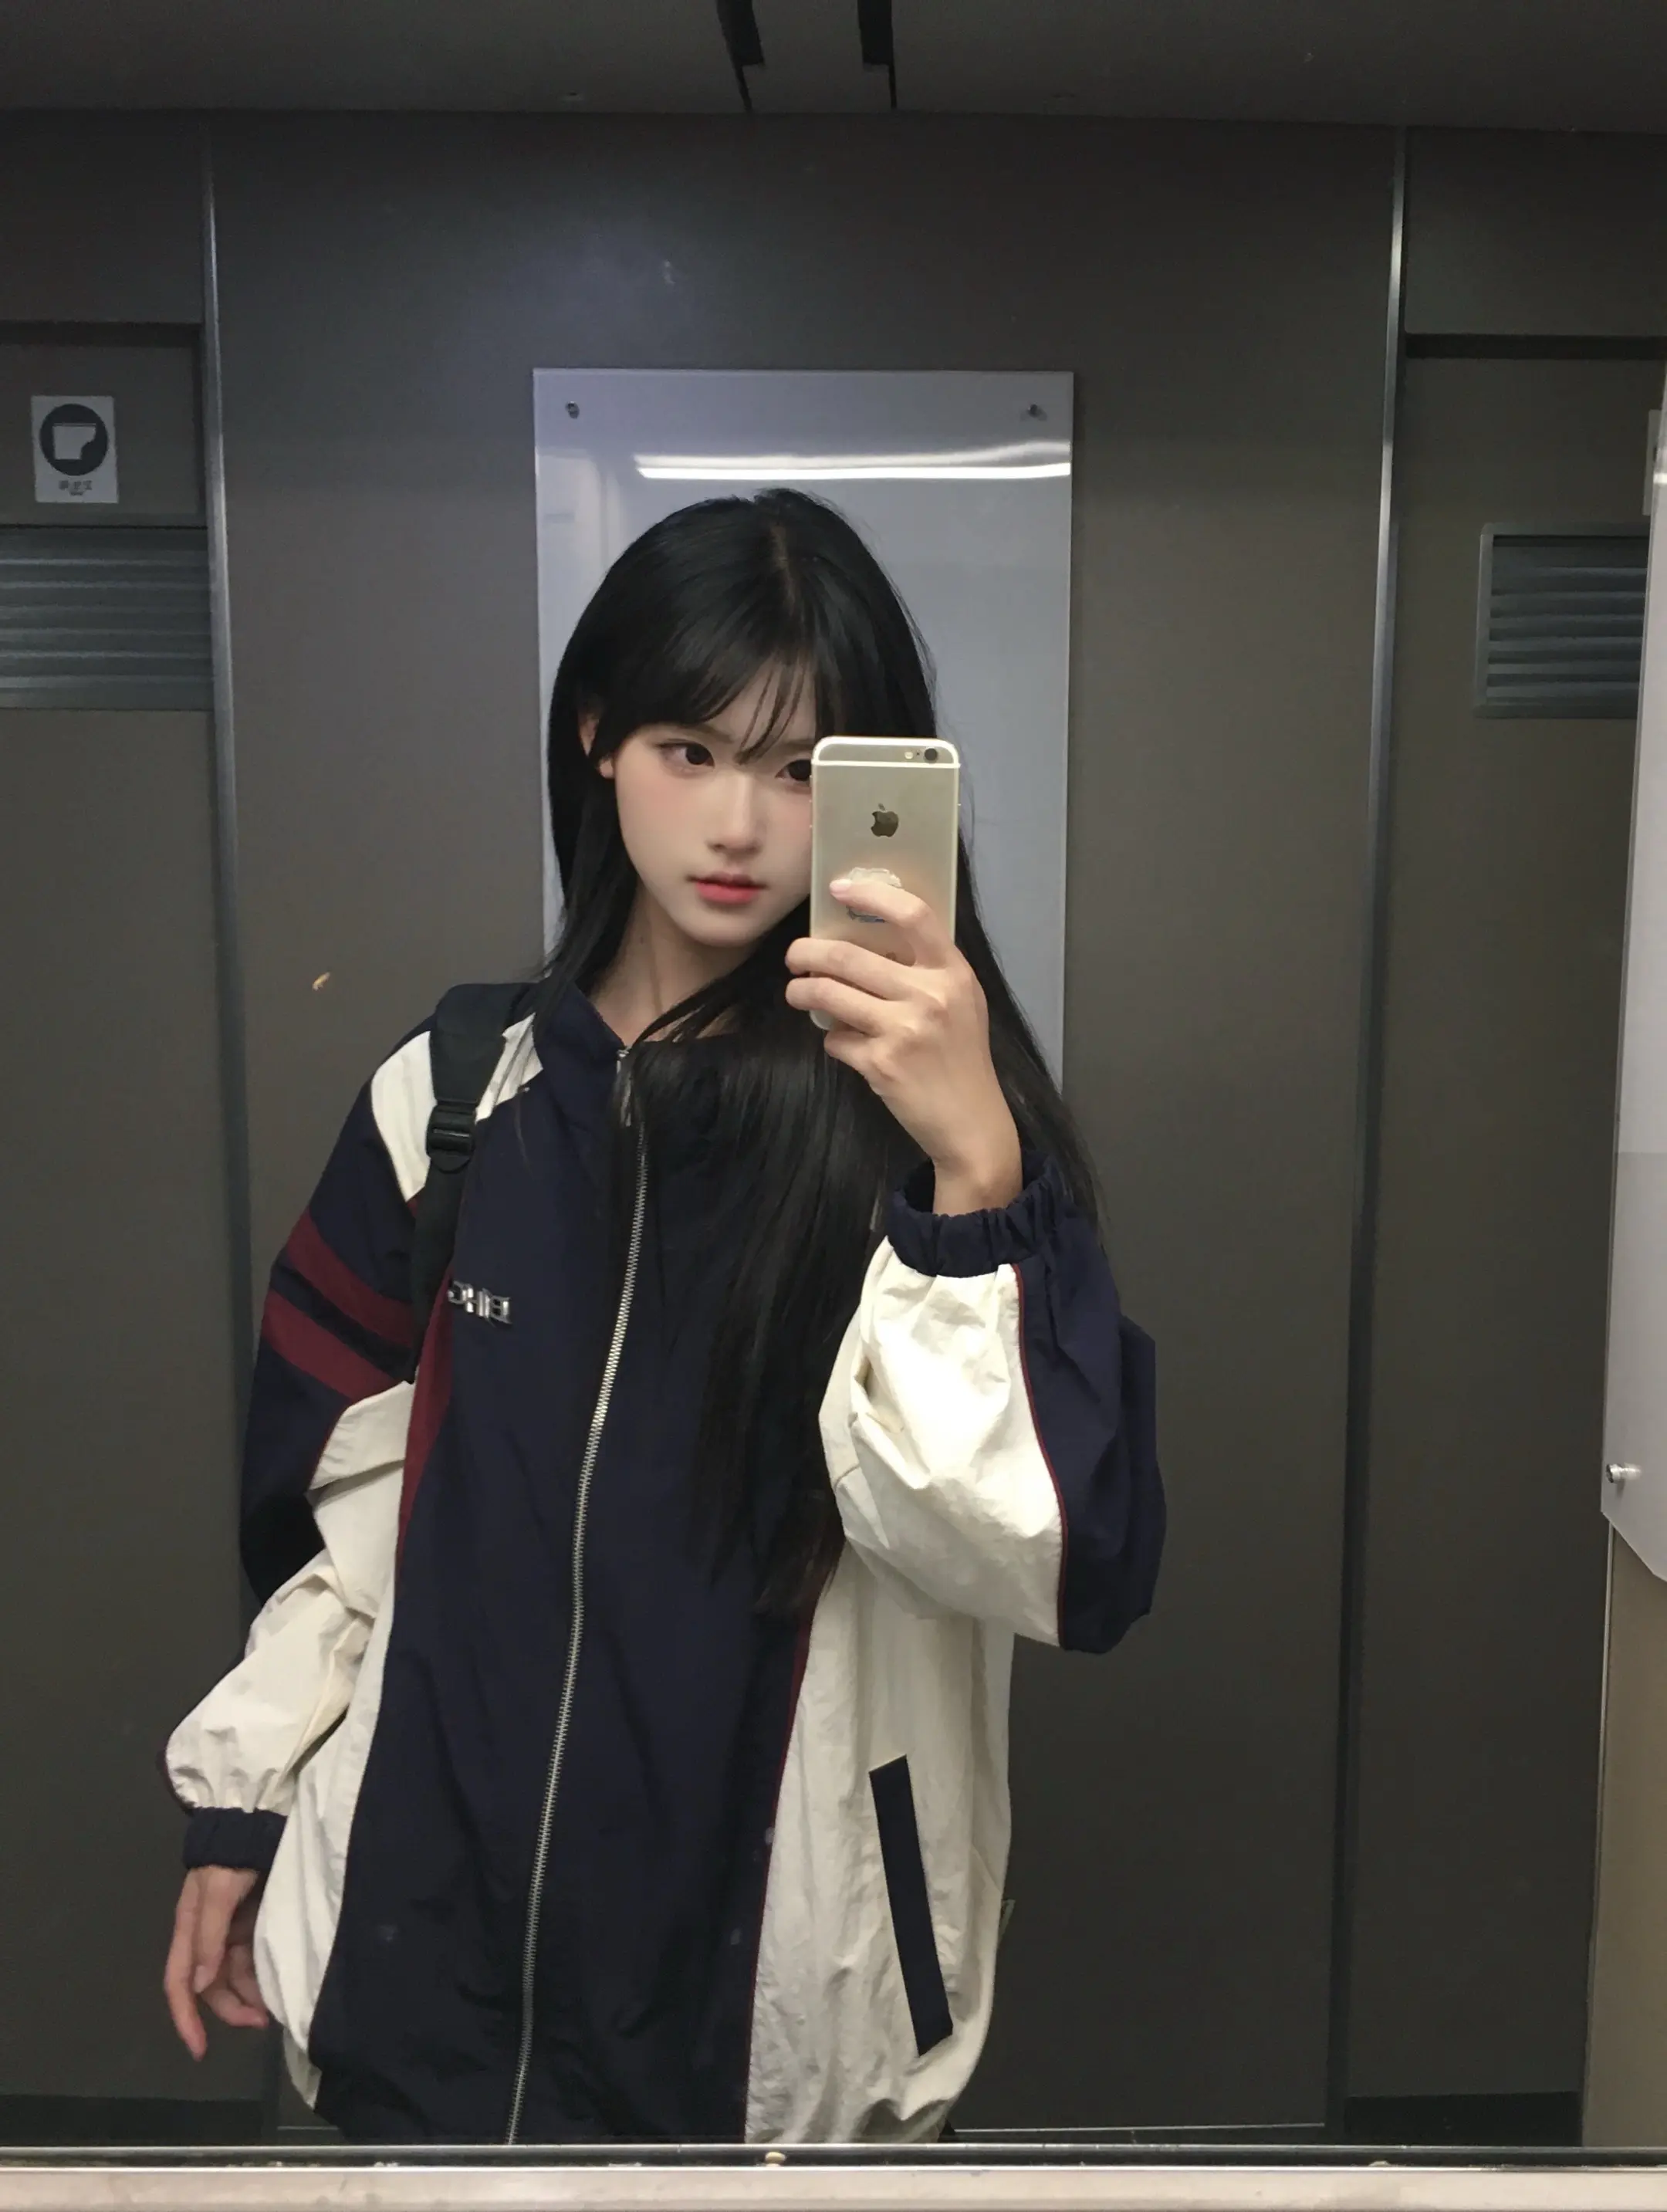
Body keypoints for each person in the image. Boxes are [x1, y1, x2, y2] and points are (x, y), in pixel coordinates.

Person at [161, 489, 1165, 2146]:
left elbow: (1058, 1560)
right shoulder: (451, 1101)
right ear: (597, 735)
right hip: (419, 1972)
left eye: (800, 769)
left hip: (762, 2030)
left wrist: (974, 1173)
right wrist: (246, 1792)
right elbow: (347, 1523)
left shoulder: (929, 1149)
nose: (740, 824)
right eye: (691, 749)